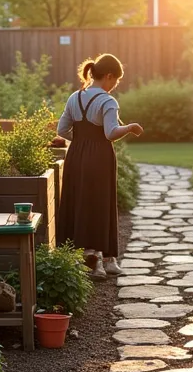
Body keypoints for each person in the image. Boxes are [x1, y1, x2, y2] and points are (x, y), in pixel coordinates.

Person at [56, 54, 143, 281]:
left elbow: (61, 130)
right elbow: (110, 133)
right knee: (100, 203)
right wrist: (130, 127)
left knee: (80, 202)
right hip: (100, 158)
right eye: (116, 81)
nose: (114, 86)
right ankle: (99, 261)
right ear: (108, 76)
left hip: (76, 156)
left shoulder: (74, 98)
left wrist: (81, 140)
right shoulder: (107, 101)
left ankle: (96, 258)